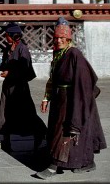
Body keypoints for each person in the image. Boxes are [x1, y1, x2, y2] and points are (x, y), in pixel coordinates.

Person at [35, 17, 106, 179]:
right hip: (59, 98)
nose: (59, 40)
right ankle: (83, 162)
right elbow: (53, 78)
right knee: (58, 129)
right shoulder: (58, 53)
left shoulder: (75, 54)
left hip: (73, 98)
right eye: (57, 38)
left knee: (65, 130)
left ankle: (53, 166)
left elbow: (84, 80)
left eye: (62, 38)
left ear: (68, 39)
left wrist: (78, 102)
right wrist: (47, 98)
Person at [0, 22, 47, 153]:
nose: (5, 37)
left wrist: (11, 73)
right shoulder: (7, 49)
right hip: (8, 86)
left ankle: (40, 133)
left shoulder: (22, 49)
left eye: (7, 35)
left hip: (20, 87)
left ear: (13, 36)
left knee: (27, 114)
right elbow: (3, 66)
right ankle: (6, 142)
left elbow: (26, 69)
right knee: (4, 112)